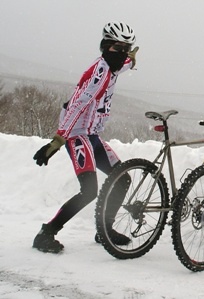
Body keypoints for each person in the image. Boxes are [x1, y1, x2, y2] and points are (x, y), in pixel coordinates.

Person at [32, 21, 139, 254]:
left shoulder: (116, 63)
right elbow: (77, 106)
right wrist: (58, 141)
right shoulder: (97, 74)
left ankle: (105, 231)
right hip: (76, 135)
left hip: (92, 135)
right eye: (117, 48)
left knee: (122, 179)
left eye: (126, 48)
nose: (122, 54)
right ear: (105, 46)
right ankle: (46, 233)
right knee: (89, 190)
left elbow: (125, 62)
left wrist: (132, 59)